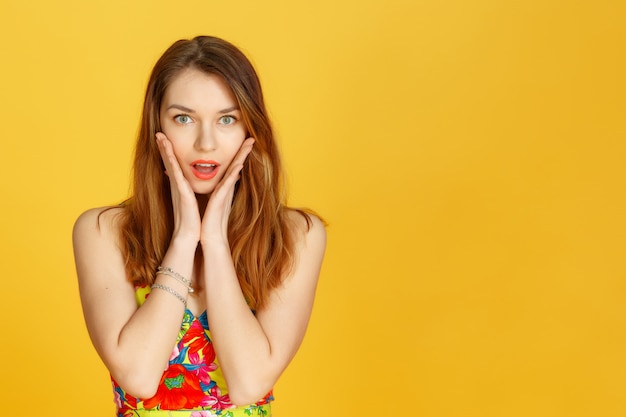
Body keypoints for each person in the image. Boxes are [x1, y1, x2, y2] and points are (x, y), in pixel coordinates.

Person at [73, 35, 326, 417]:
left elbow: (249, 384)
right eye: (184, 118)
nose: (206, 143)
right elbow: (138, 377)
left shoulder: (295, 235)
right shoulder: (104, 231)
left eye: (227, 119)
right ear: (156, 125)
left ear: (249, 129)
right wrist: (185, 237)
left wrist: (216, 243)